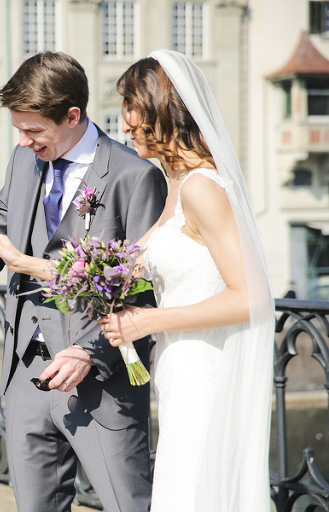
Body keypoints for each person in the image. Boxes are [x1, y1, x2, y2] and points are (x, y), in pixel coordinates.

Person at [0, 52, 167, 512]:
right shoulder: (22, 160)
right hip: (24, 376)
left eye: (34, 130)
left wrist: (90, 353)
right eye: (19, 130)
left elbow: (144, 290)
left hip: (100, 382)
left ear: (72, 115)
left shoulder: (136, 177)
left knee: (128, 505)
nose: (25, 141)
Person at [99, 50, 274, 511]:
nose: (125, 124)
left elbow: (252, 297)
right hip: (179, 371)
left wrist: (147, 321)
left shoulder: (201, 187)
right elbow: (131, 265)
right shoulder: (174, 182)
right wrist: (41, 267)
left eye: (131, 109)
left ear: (163, 107)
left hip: (207, 372)